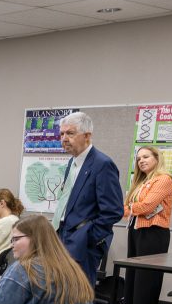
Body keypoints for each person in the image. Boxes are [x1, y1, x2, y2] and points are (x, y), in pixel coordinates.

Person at [53, 111, 124, 283]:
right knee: (62, 294)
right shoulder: (72, 162)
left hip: (83, 243)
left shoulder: (102, 164)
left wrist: (89, 237)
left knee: (80, 297)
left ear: (87, 136)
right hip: (62, 237)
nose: (64, 138)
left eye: (70, 133)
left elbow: (113, 211)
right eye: (62, 134)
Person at [121, 145, 172, 304]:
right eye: (139, 158)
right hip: (136, 231)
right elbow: (128, 207)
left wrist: (130, 208)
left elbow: (146, 206)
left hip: (154, 232)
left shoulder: (164, 179)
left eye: (146, 157)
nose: (141, 160)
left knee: (148, 278)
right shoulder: (142, 182)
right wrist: (131, 208)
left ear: (156, 158)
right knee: (134, 275)